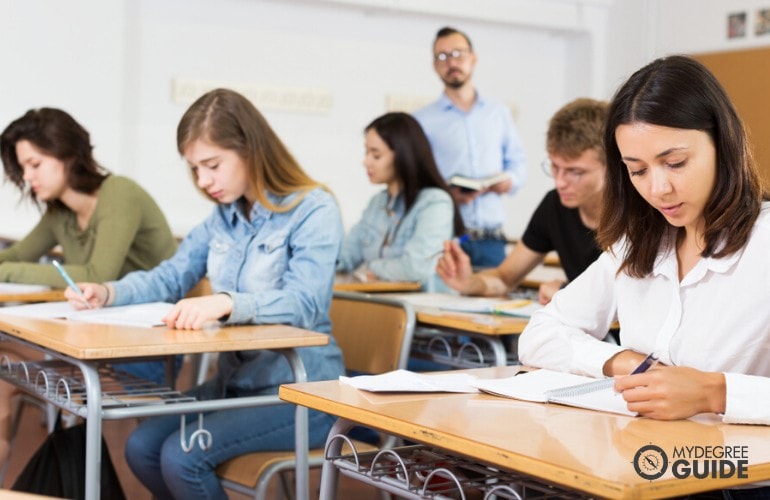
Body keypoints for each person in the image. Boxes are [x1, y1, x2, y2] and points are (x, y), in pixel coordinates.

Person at [65, 88, 345, 499]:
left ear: (250, 149)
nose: (203, 181)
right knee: (141, 447)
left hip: (303, 390)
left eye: (212, 165)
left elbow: (305, 303)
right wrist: (107, 292)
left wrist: (228, 302)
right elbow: (171, 276)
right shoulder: (223, 217)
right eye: (195, 169)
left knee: (182, 457)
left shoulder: (314, 210)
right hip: (234, 385)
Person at [519, 56, 770, 438]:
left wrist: (715, 392)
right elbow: (540, 334)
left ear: (723, 143)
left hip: (735, 477)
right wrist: (626, 362)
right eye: (637, 170)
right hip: (644, 458)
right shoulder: (639, 243)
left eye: (675, 163)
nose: (657, 190)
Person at [0, 108, 178, 459]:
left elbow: (97, 274)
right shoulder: (59, 212)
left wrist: (10, 271)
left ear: (65, 152)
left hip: (145, 349)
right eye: (22, 168)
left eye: (34, 164)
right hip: (89, 340)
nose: (27, 176)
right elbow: (16, 255)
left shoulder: (119, 194)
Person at [437, 98, 607, 304]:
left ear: (612, 167)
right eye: (554, 167)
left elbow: (630, 302)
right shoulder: (555, 205)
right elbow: (504, 278)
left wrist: (567, 293)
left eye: (575, 172)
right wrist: (469, 283)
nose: (560, 182)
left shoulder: (636, 214)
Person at [414, 26, 527, 268]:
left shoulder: (498, 112)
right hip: (446, 237)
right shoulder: (423, 120)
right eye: (442, 57)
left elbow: (517, 162)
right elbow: (417, 174)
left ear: (473, 58)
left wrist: (509, 180)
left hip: (491, 238)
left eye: (458, 54)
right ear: (434, 66)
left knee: (494, 299)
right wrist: (446, 193)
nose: (451, 62)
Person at [336, 112, 463, 290]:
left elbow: (415, 268)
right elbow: (346, 256)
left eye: (376, 155)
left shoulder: (435, 203)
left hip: (423, 309)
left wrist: (371, 266)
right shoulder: (377, 203)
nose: (366, 162)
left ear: (403, 155)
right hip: (385, 304)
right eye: (366, 152)